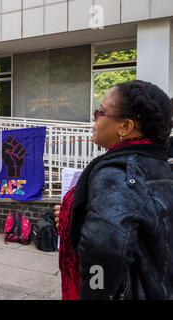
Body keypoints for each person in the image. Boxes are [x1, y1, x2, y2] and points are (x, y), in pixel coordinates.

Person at [55, 80, 173, 300]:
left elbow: (102, 248)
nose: (94, 118)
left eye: (101, 111)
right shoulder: (156, 164)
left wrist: (94, 293)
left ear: (125, 127)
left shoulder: (118, 173)